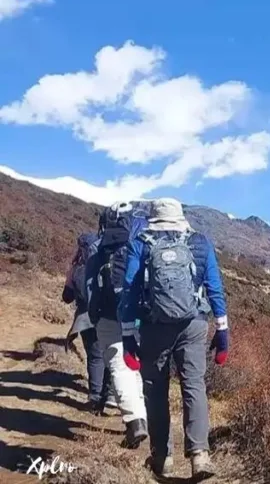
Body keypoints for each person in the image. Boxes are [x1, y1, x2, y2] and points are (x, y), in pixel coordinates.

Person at [118, 198, 230, 480]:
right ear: (180, 217)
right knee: (193, 385)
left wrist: (128, 335)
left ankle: (162, 457)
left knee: (155, 391)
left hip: (154, 327)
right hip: (193, 324)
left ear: (153, 218)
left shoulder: (140, 243)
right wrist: (222, 329)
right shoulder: (200, 243)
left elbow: (129, 292)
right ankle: (200, 455)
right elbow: (214, 287)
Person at [85, 203, 149, 448]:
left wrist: (94, 316)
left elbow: (90, 287)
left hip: (108, 316)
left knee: (119, 367)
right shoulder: (139, 246)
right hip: (137, 316)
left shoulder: (99, 249)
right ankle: (142, 416)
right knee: (134, 366)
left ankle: (135, 422)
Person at [62, 231, 111, 414]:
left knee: (95, 356)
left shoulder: (77, 268)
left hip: (85, 318)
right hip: (108, 316)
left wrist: (70, 276)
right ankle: (110, 395)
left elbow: (66, 297)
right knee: (110, 355)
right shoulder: (105, 264)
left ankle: (95, 397)